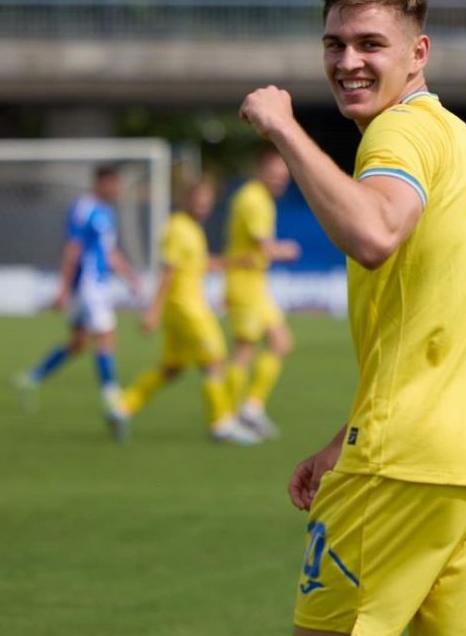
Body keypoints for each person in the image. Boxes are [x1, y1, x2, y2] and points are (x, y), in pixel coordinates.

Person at [239, 0, 466, 636]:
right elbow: (440, 328)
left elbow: (374, 233)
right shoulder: (464, 143)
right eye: (334, 44)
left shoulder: (398, 134)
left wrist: (284, 128)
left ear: (418, 53)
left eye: (370, 44)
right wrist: (341, 438)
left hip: (409, 460)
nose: (348, 62)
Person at [111, 179, 260, 446]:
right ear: (186, 200)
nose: (203, 207)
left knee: (172, 368)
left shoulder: (192, 229)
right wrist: (153, 312)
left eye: (207, 202)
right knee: (214, 360)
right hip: (186, 309)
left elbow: (201, 265)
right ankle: (221, 423)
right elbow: (168, 273)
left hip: (182, 309)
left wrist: (236, 262)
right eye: (199, 201)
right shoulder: (178, 228)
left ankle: (123, 406)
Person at [16, 165, 140, 418]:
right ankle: (111, 395)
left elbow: (109, 251)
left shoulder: (106, 213)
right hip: (88, 284)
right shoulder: (83, 208)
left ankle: (31, 378)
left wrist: (129, 277)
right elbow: (72, 249)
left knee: (78, 342)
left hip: (95, 284)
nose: (118, 190)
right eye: (115, 184)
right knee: (106, 334)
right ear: (102, 182)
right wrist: (63, 288)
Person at [223, 147, 301, 439]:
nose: (280, 181)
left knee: (281, 342)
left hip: (255, 285)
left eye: (284, 176)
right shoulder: (254, 199)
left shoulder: (261, 198)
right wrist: (288, 250)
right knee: (243, 350)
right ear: (261, 171)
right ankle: (229, 418)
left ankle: (251, 408)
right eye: (275, 175)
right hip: (244, 285)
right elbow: (264, 246)